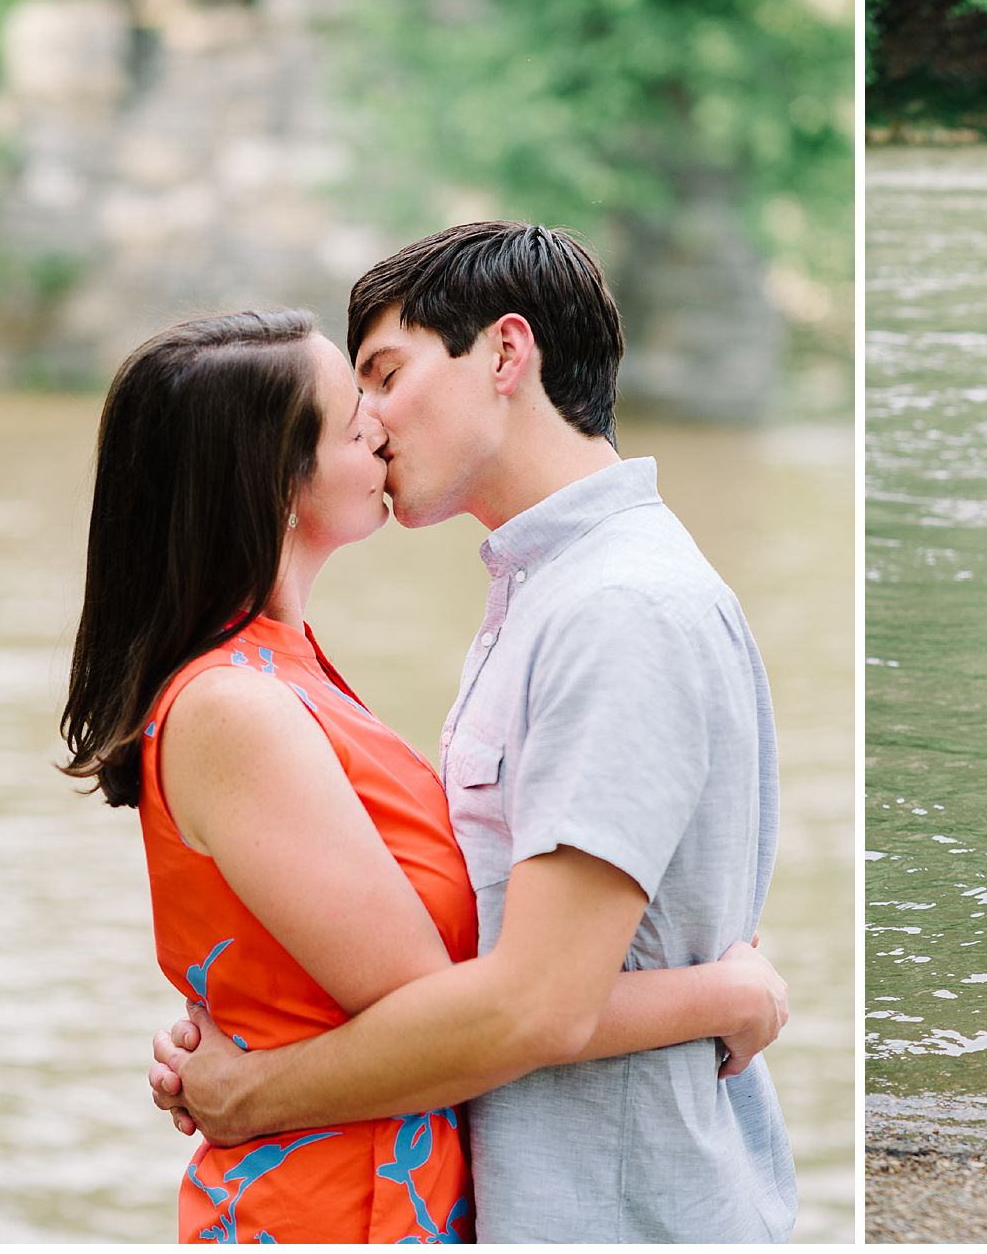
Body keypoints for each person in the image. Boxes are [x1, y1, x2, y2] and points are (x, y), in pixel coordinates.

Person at [59, 309, 787, 1242]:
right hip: (333, 1208)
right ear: (275, 481)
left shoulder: (290, 669)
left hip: (397, 1189)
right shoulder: (231, 705)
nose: (380, 424)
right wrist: (722, 994)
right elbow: (456, 1011)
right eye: (352, 417)